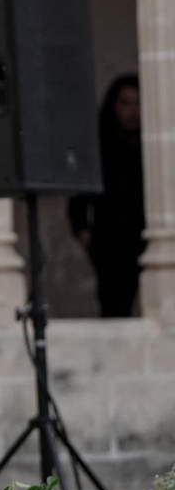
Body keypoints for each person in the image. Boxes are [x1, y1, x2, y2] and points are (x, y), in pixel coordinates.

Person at [69, 74, 145, 317]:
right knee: (115, 306)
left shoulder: (152, 146)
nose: (133, 111)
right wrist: (85, 234)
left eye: (138, 103)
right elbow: (79, 199)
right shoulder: (100, 145)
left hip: (150, 235)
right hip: (112, 243)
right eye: (126, 103)